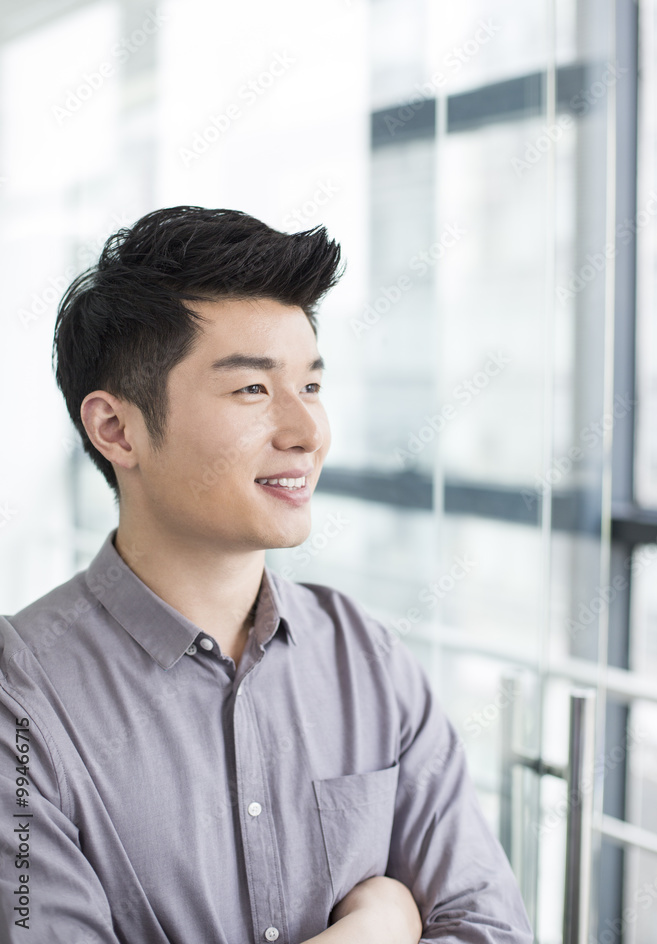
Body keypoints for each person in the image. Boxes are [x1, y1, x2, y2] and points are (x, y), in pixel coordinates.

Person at [0, 206, 533, 943]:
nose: (306, 432)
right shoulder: (20, 706)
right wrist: (373, 930)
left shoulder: (364, 660)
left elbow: (489, 928)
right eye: (252, 390)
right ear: (116, 429)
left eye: (310, 387)